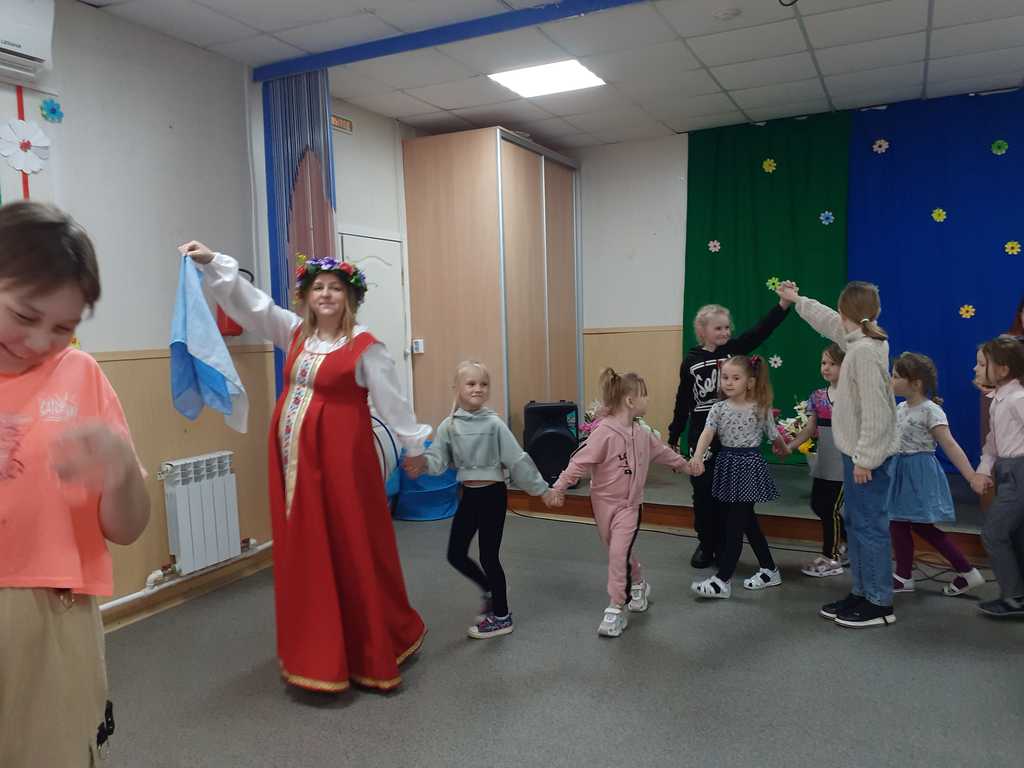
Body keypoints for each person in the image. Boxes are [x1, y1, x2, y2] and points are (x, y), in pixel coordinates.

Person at [178, 241, 429, 691]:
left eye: (335, 288)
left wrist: (413, 446)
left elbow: (392, 400)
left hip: (342, 466)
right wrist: (213, 262)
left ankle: (371, 646)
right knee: (308, 550)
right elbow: (252, 305)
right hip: (294, 465)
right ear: (307, 297)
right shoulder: (294, 333)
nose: (326, 294)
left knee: (351, 545)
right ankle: (320, 651)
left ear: (349, 297)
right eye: (318, 288)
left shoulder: (366, 346)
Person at [0, 201, 150, 767]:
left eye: (63, 328)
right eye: (23, 315)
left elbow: (128, 528)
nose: (39, 341)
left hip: (52, 613)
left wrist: (121, 471)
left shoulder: (80, 376)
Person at [404, 360, 559, 639]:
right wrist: (422, 464)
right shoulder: (449, 426)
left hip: (492, 496)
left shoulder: (494, 424)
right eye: (471, 383)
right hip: (469, 496)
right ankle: (490, 589)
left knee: (489, 556)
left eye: (484, 384)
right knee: (455, 554)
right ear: (457, 388)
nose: (478, 388)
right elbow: (438, 460)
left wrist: (542, 490)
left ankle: (502, 616)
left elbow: (517, 460)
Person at [779, 280, 900, 628]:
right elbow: (827, 320)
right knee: (857, 523)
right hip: (858, 454)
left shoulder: (864, 351)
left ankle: (879, 602)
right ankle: (862, 592)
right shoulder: (858, 341)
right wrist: (797, 300)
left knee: (870, 526)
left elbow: (877, 411)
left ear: (847, 311)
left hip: (867, 457)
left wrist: (866, 458)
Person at [551, 369, 690, 637]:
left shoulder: (642, 434)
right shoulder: (604, 432)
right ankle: (638, 582)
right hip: (603, 504)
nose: (648, 400)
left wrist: (687, 466)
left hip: (630, 506)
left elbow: (664, 454)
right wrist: (559, 486)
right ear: (630, 400)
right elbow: (580, 461)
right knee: (618, 551)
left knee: (617, 553)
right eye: (644, 395)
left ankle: (616, 607)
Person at [668, 297, 792, 569]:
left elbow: (760, 331)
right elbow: (683, 400)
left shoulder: (734, 351)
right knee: (702, 493)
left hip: (732, 440)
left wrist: (782, 306)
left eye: (727, 327)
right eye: (718, 328)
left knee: (728, 493)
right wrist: (674, 434)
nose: (725, 332)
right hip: (702, 435)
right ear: (702, 331)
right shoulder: (691, 361)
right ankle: (706, 543)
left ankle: (726, 544)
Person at [690, 355, 789, 599]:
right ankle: (769, 569)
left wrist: (784, 448)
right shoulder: (718, 408)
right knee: (747, 521)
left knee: (735, 523)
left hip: (749, 466)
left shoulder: (760, 408)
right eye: (725, 377)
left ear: (750, 382)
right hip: (727, 464)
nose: (729, 382)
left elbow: (774, 435)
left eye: (736, 378)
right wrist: (698, 456)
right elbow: (707, 433)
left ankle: (723, 580)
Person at [888, 352, 984, 596]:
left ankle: (966, 571)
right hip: (900, 471)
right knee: (898, 523)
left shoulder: (931, 411)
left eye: (896, 376)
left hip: (918, 473)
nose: (891, 380)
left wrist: (971, 476)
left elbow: (950, 445)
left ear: (916, 383)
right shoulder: (900, 407)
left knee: (921, 526)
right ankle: (904, 575)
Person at [784, 344, 848, 577]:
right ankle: (849, 542)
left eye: (833, 363)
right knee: (818, 505)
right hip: (824, 463)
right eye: (823, 363)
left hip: (843, 465)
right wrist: (789, 446)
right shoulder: (818, 396)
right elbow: (810, 429)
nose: (826, 368)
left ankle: (831, 558)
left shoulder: (853, 396)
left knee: (831, 508)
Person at [973, 336, 1024, 618]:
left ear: (1003, 370)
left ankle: (1014, 598)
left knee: (994, 533)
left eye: (982, 364)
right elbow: (993, 443)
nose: (976, 369)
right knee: (1015, 535)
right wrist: (983, 470)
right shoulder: (999, 399)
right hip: (1008, 470)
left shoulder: (1017, 399)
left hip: (1019, 471)